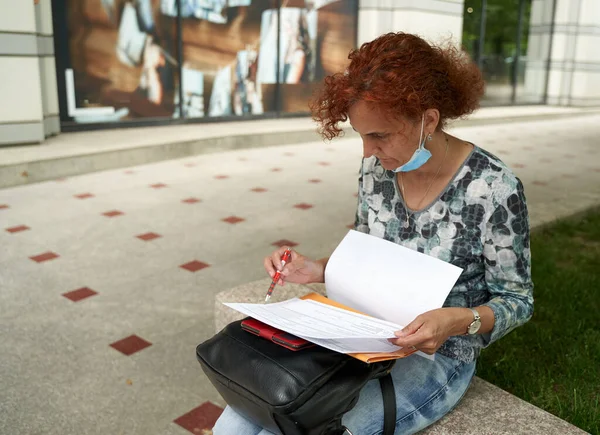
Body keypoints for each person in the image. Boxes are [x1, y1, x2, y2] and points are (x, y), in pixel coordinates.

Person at [212, 32, 534, 435]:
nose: (367, 152)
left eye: (379, 135)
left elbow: (518, 300)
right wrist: (316, 269)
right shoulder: (377, 170)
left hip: (436, 357)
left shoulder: (492, 188)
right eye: (361, 135)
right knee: (235, 426)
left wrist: (456, 321)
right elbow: (367, 256)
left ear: (428, 120)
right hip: (358, 337)